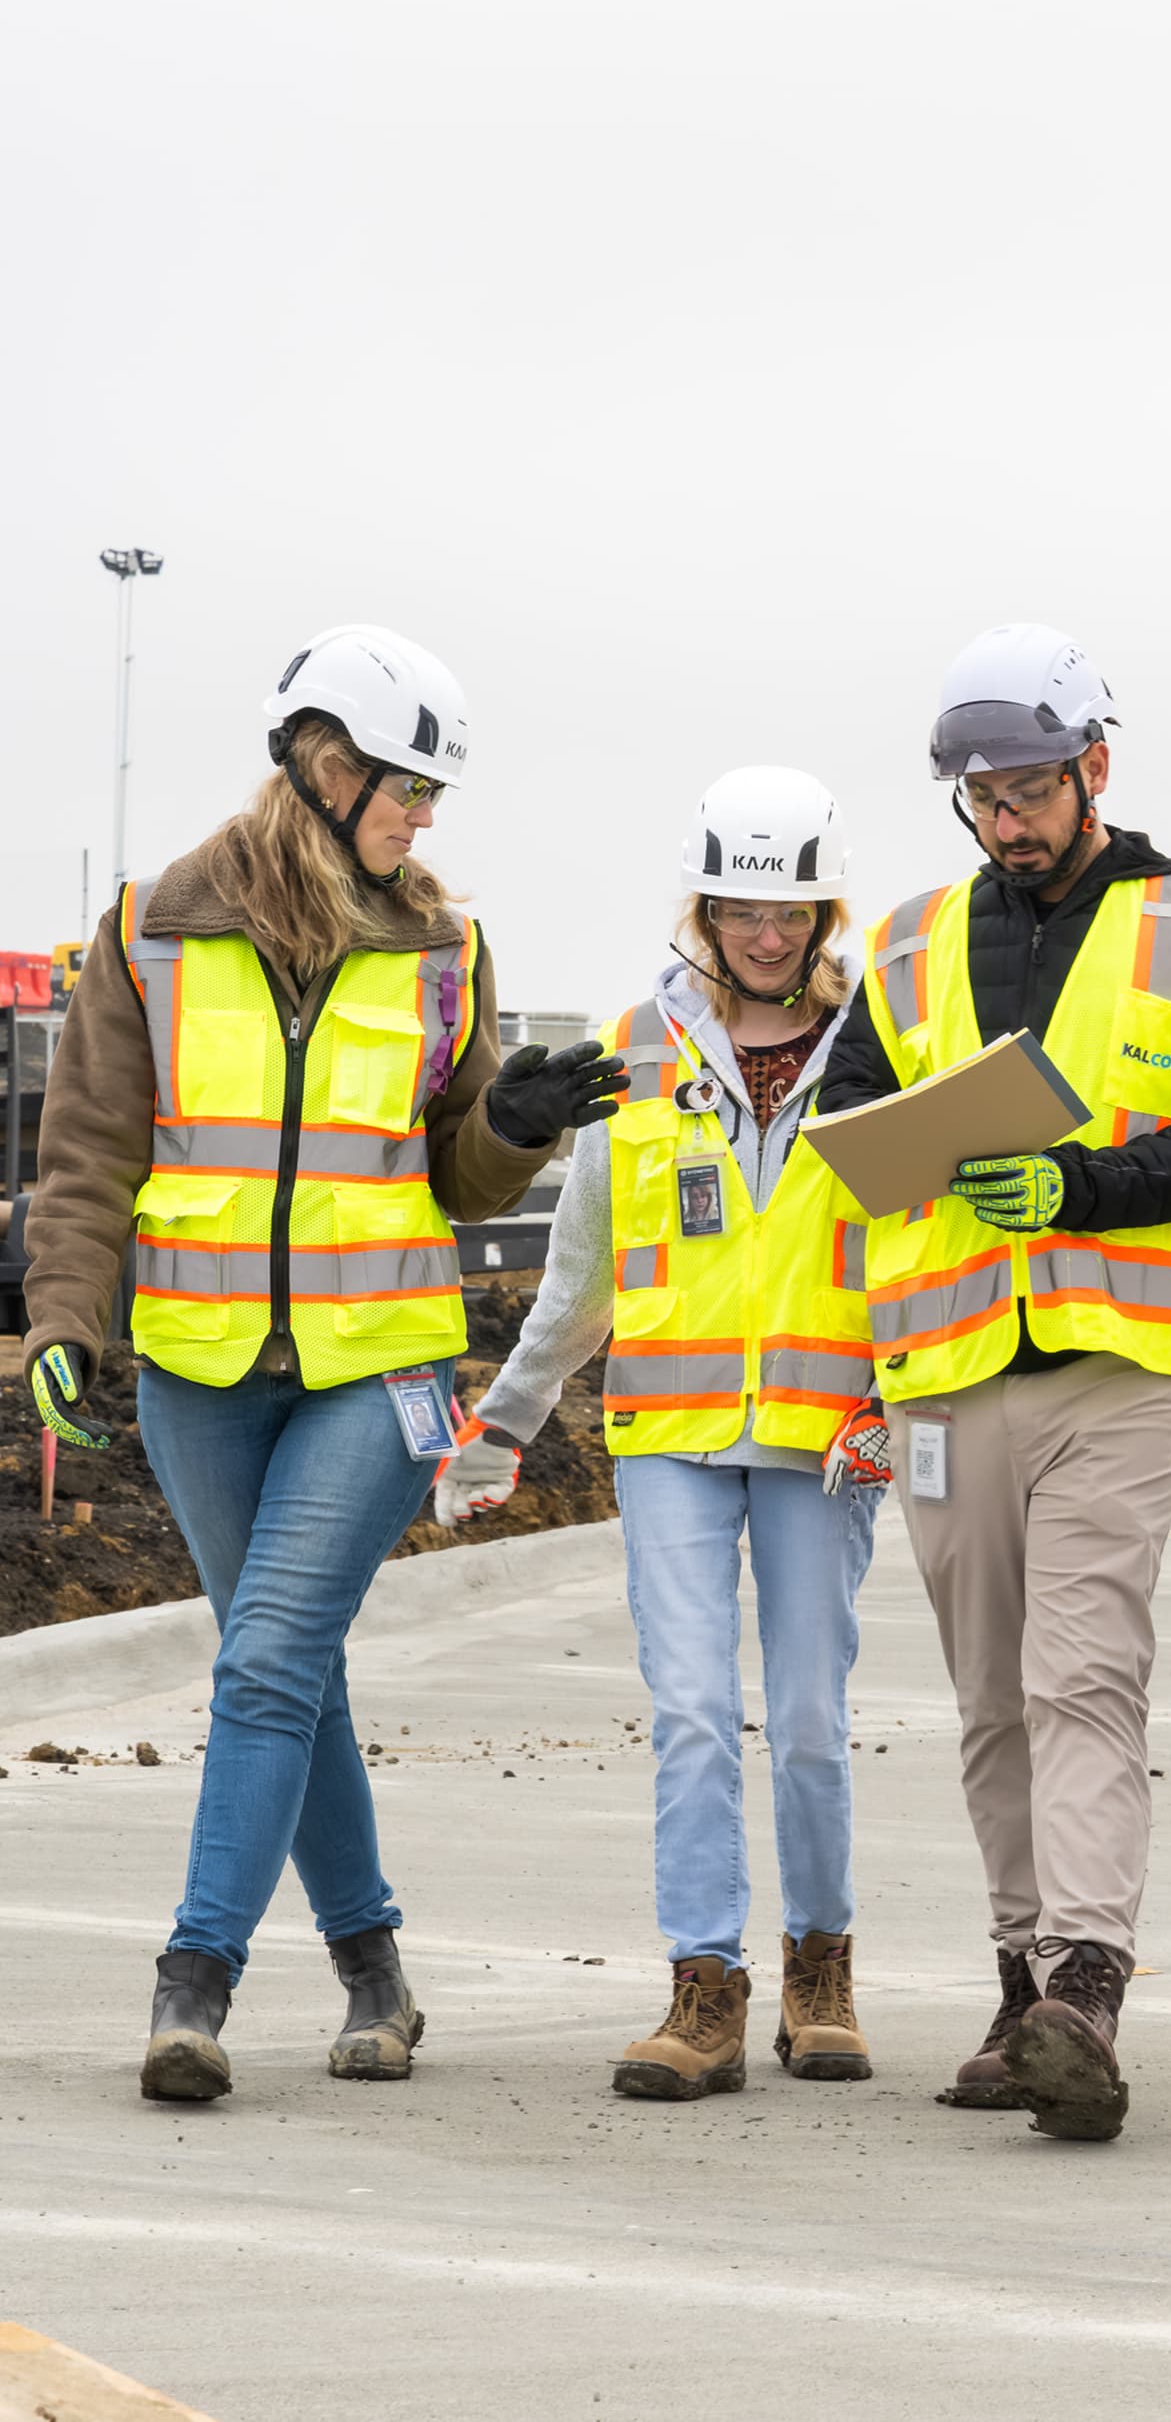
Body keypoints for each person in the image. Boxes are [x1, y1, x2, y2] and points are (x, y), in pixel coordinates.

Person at [23, 622, 627, 2103]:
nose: (426, 819)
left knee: (271, 1656)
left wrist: (522, 1121)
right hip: (200, 1362)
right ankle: (375, 1975)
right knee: (285, 1672)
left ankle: (194, 1983)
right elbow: (92, 1150)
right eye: (409, 787)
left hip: (384, 1364)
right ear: (327, 762)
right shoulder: (150, 929)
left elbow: (463, 1180)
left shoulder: (446, 950)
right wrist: (63, 1321)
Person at [819, 622, 1171, 2142]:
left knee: (1081, 1673)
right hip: (948, 1377)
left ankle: (1088, 1981)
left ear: (1094, 767)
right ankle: (1023, 1992)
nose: (1003, 823)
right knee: (987, 1705)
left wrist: (1083, 1185)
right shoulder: (901, 945)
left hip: (1118, 1364)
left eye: (1025, 791)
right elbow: (851, 1128)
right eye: (981, 800)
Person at [436, 767, 891, 2100]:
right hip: (672, 1437)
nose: (767, 932)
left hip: (822, 1442)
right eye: (744, 904)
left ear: (823, 914)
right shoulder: (636, 1052)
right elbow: (581, 1277)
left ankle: (822, 1970)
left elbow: (920, 1255)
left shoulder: (878, 1050)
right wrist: (504, 1421)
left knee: (806, 1717)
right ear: (706, 902)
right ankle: (705, 1990)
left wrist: (897, 1402)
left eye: (792, 907)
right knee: (694, 1711)